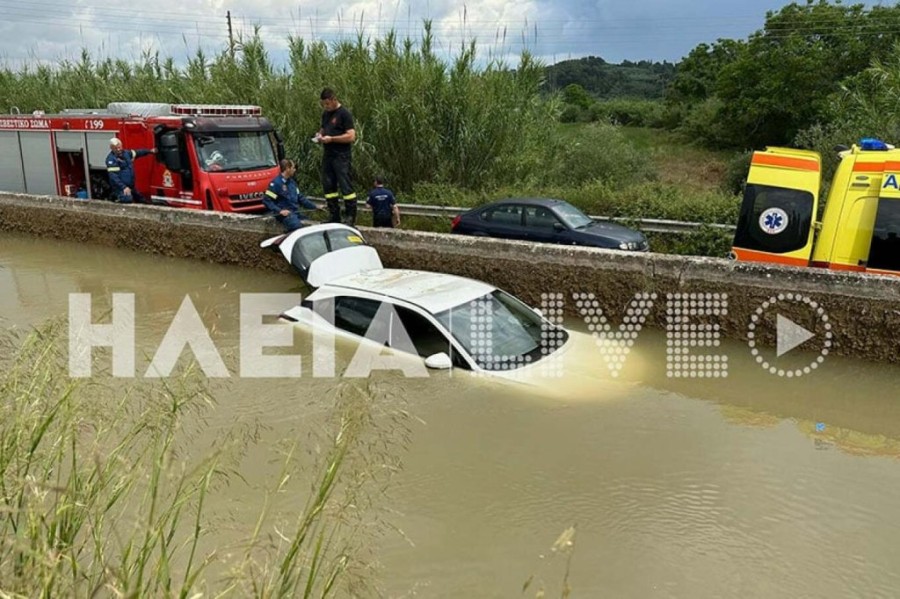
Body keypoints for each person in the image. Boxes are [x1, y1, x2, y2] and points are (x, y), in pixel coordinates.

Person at [314, 88, 357, 225]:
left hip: (341, 156)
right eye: (323, 104)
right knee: (328, 185)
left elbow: (351, 136)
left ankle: (350, 216)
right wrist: (319, 136)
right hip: (328, 155)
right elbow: (323, 129)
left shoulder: (344, 114)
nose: (326, 107)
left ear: (333, 99)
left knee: (345, 186)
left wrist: (332, 139)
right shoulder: (325, 114)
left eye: (327, 103)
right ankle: (334, 215)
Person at [263, 159, 318, 232]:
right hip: (285, 215)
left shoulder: (292, 183)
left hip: (295, 212)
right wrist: (279, 211)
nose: (294, 170)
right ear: (287, 168)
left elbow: (300, 198)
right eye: (293, 168)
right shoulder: (276, 184)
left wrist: (314, 207)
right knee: (297, 227)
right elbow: (267, 200)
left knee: (310, 224)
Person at [105, 137, 157, 203]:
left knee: (143, 201)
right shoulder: (111, 160)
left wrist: (150, 151)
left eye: (119, 147)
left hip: (131, 186)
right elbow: (114, 177)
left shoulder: (126, 153)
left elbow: (138, 152)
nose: (118, 149)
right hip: (121, 188)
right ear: (111, 148)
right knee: (127, 200)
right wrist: (123, 187)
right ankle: (115, 197)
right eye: (116, 148)